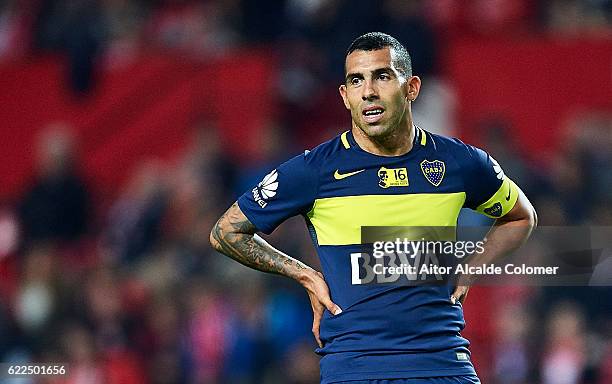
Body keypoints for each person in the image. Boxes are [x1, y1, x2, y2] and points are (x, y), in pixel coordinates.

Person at [210, 32, 537, 383]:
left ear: (411, 88)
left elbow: (520, 217)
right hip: (355, 367)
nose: (368, 91)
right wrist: (304, 274)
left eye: (382, 76)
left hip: (441, 363)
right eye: (356, 80)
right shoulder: (315, 170)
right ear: (345, 96)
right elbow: (226, 231)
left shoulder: (459, 162)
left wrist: (472, 268)